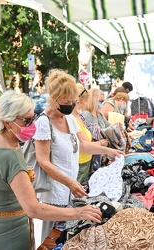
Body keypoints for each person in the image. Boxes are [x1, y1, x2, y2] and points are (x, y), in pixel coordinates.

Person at [0, 90, 103, 250]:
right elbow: (33, 209)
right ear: (7, 122)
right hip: (12, 231)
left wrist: (19, 181)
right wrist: (79, 213)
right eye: (27, 120)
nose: (32, 125)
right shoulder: (11, 156)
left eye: (32, 118)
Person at [33, 69, 124, 243]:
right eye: (67, 101)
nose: (71, 105)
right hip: (54, 194)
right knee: (50, 239)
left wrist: (109, 151)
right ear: (54, 98)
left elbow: (83, 146)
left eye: (73, 101)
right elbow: (43, 160)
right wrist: (69, 182)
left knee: (67, 237)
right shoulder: (44, 123)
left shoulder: (68, 119)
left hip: (71, 190)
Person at [72, 83, 124, 184]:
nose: (102, 103)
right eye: (100, 101)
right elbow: (84, 145)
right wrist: (104, 144)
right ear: (79, 101)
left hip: (86, 161)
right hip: (81, 162)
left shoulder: (79, 116)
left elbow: (106, 127)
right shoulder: (79, 117)